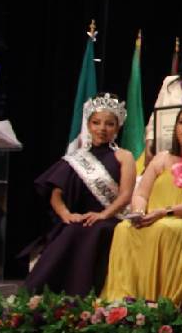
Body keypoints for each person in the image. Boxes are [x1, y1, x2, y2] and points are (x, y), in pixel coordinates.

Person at [102, 105, 182, 303]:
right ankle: (122, 299)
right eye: (181, 122)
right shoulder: (162, 158)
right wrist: (139, 212)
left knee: (162, 229)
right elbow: (141, 192)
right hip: (153, 217)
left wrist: (165, 212)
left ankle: (156, 302)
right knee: (123, 229)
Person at [23, 94, 136, 295]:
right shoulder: (77, 158)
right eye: (97, 123)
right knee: (71, 230)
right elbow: (56, 194)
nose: (102, 128)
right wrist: (67, 215)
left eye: (109, 124)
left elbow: (126, 195)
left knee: (94, 231)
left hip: (111, 218)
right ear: (89, 125)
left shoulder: (124, 156)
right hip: (82, 218)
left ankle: (82, 295)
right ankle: (39, 296)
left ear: (117, 128)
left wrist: (104, 214)